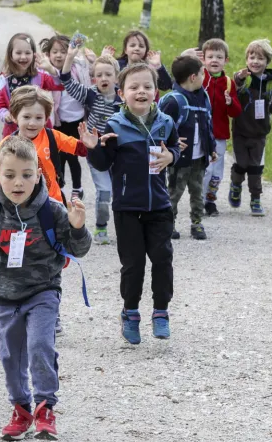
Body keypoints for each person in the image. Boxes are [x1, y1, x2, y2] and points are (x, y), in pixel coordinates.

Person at [0, 136, 91, 441]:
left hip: (43, 291)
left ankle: (45, 408)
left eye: (27, 174)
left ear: (38, 175)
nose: (19, 182)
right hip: (4, 297)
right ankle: (21, 408)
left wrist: (78, 227)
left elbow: (79, 250)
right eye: (10, 175)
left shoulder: (52, 210)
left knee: (40, 346)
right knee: (10, 356)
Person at [87, 63, 179, 345]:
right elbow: (103, 163)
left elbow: (175, 149)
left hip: (160, 207)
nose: (141, 91)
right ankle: (131, 312)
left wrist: (172, 157)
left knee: (162, 259)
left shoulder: (166, 123)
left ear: (156, 91)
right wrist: (93, 148)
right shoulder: (114, 126)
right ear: (121, 93)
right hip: (127, 209)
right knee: (133, 264)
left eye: (147, 87)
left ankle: (161, 312)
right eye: (134, 87)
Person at [0, 86, 90, 206]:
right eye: (26, 117)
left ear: (46, 119)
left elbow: (79, 148)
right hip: (22, 205)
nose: (32, 123)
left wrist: (92, 144)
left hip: (53, 202)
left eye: (39, 118)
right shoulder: (6, 144)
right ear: (14, 117)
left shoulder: (52, 137)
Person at [60, 48, 122, 245]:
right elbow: (67, 82)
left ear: (117, 77)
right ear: (93, 78)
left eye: (108, 74)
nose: (103, 78)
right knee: (104, 191)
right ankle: (101, 227)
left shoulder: (124, 98)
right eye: (99, 75)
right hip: (97, 150)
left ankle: (125, 226)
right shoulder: (91, 95)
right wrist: (69, 57)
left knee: (122, 191)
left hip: (120, 150)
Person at [159, 54, 216, 240]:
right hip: (180, 158)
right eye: (202, 73)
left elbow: (207, 124)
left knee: (198, 191)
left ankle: (197, 223)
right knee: (174, 192)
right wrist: (170, 144)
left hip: (199, 157)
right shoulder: (173, 101)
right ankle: (168, 223)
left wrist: (211, 147)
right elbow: (160, 127)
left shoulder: (203, 97)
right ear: (193, 77)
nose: (204, 76)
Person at [229, 39, 272, 216]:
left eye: (260, 58)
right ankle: (235, 185)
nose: (255, 61)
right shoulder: (243, 78)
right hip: (241, 131)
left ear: (267, 61)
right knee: (241, 164)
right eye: (252, 57)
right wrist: (240, 78)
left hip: (259, 132)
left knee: (256, 167)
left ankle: (255, 199)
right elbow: (236, 87)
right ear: (247, 59)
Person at [41, 33, 89, 202]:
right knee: (58, 155)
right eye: (55, 52)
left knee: (73, 155)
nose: (59, 55)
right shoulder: (45, 72)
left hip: (76, 121)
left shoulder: (75, 68)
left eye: (63, 51)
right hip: (58, 121)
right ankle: (58, 184)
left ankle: (77, 188)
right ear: (48, 54)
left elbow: (63, 79)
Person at [199, 38, 242, 217]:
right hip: (201, 134)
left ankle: (211, 200)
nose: (214, 60)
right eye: (210, 57)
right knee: (205, 170)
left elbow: (236, 112)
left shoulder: (229, 83)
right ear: (203, 59)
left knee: (217, 173)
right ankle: (199, 201)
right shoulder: (199, 79)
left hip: (220, 135)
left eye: (219, 57)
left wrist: (231, 102)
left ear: (226, 60)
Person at [0, 33, 64, 137]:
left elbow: (60, 85)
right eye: (18, 53)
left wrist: (50, 69)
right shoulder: (4, 80)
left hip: (39, 130)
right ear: (11, 55)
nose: (23, 57)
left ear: (33, 54)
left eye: (27, 53)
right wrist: (5, 115)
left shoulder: (40, 76)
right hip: (14, 133)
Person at [102, 30, 173, 91]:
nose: (137, 48)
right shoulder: (117, 65)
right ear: (125, 50)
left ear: (146, 50)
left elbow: (166, 86)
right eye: (132, 45)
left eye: (141, 46)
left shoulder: (149, 68)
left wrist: (158, 67)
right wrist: (104, 60)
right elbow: (101, 80)